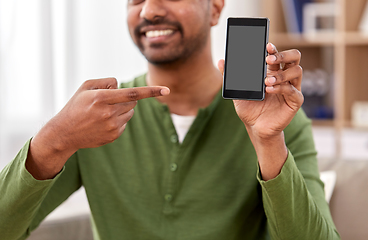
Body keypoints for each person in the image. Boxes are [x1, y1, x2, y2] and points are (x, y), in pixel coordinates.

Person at [0, 0, 340, 239]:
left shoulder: (282, 123)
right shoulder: (96, 118)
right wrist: (53, 140)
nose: (149, 9)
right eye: (136, 0)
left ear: (216, 7)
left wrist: (268, 142)